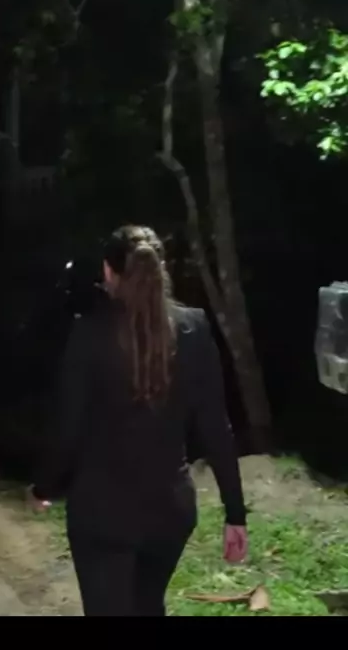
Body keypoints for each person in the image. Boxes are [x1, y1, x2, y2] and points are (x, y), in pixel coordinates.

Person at [30, 224, 248, 617]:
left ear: (108, 271)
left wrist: (44, 486)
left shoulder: (89, 331)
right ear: (160, 269)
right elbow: (216, 426)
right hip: (170, 509)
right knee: (148, 606)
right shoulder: (193, 329)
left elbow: (68, 428)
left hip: (102, 511)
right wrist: (235, 513)